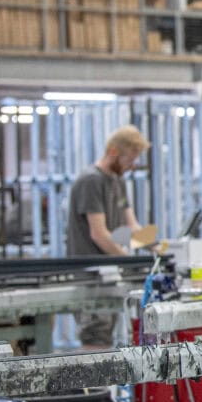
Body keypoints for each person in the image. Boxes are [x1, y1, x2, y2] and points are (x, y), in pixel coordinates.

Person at [67, 124, 150, 347]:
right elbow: (100, 234)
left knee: (108, 333)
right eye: (129, 160)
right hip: (91, 275)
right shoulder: (91, 181)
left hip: (110, 273)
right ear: (113, 151)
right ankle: (95, 383)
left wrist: (162, 248)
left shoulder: (118, 181)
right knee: (96, 334)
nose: (131, 166)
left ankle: (103, 382)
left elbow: (130, 227)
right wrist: (129, 260)